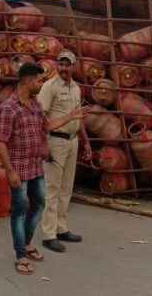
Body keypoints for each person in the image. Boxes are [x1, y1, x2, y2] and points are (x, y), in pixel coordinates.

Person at [0, 62, 88, 276]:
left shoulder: (35, 103)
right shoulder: (8, 108)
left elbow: (45, 127)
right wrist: (10, 171)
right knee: (18, 212)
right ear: (28, 82)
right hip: (18, 167)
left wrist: (70, 117)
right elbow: (0, 142)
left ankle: (27, 244)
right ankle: (20, 255)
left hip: (35, 166)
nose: (41, 84)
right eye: (39, 80)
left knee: (38, 204)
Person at [37, 50, 92, 253]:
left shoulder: (76, 89)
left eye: (67, 64)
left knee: (66, 188)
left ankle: (61, 228)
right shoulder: (49, 87)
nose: (64, 68)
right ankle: (48, 234)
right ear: (57, 65)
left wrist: (86, 142)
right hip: (56, 142)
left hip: (72, 141)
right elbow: (41, 119)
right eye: (61, 64)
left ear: (73, 66)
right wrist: (43, 145)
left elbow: (78, 116)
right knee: (52, 189)